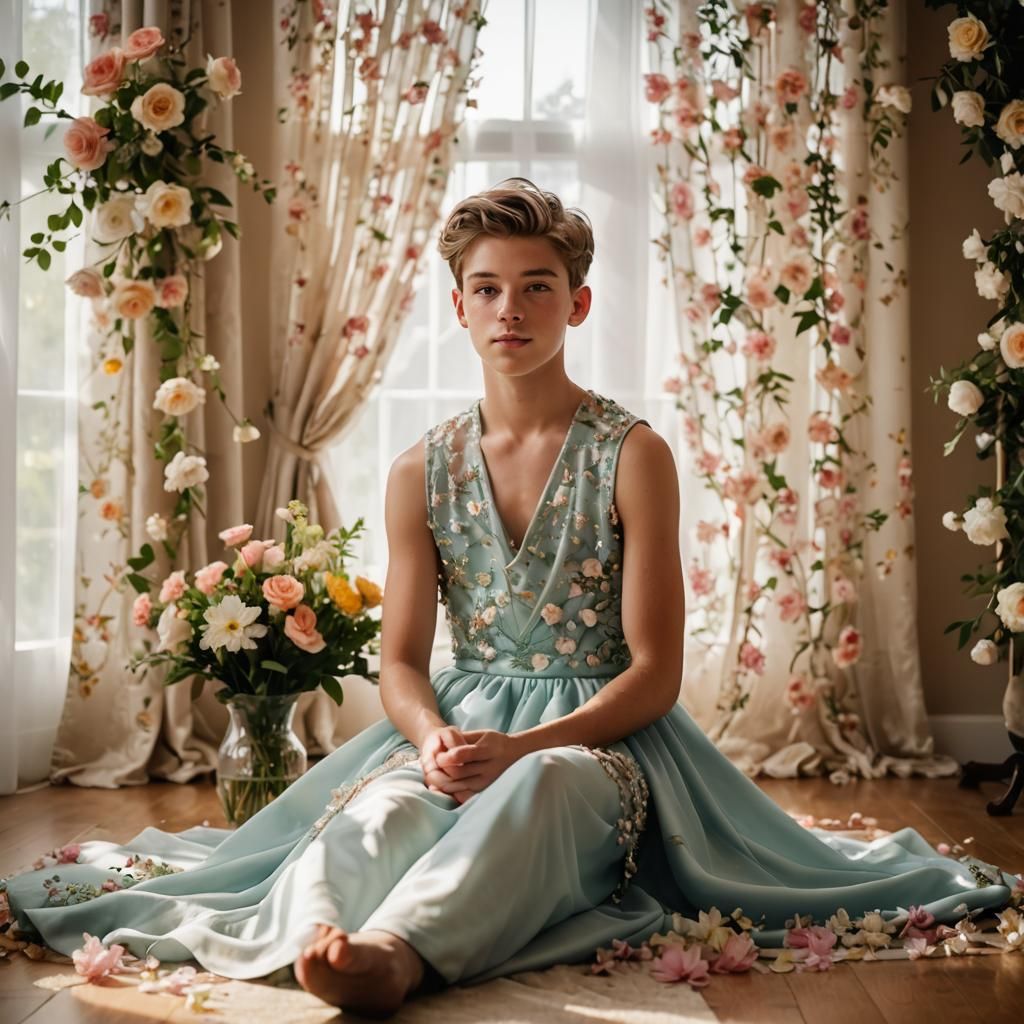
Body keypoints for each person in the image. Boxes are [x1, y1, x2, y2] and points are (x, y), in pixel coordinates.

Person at [2, 179, 1018, 1018]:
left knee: (538, 796)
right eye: (486, 290)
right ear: (458, 305)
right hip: (463, 724)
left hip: (604, 741)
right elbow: (400, 661)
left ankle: (396, 954)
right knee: (383, 811)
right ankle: (320, 932)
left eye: (537, 288)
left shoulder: (634, 454)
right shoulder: (419, 469)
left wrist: (530, 747)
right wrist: (433, 734)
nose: (510, 311)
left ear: (576, 303)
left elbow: (655, 672)